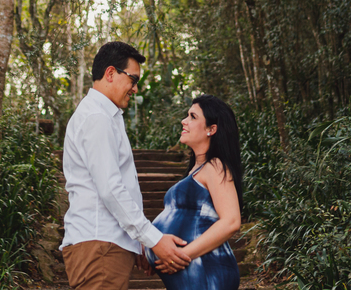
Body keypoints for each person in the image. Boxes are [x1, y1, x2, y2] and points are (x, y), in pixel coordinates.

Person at [61, 41, 193, 290]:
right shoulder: (97, 118)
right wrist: (153, 239)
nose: (135, 88)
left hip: (105, 245)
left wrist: (138, 242)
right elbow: (111, 189)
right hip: (99, 246)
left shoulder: (105, 116)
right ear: (110, 73)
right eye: (133, 79)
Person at [147, 95, 243, 290]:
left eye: (193, 116)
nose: (184, 121)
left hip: (207, 272)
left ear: (211, 129)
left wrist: (179, 256)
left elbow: (231, 221)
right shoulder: (196, 171)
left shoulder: (215, 166)